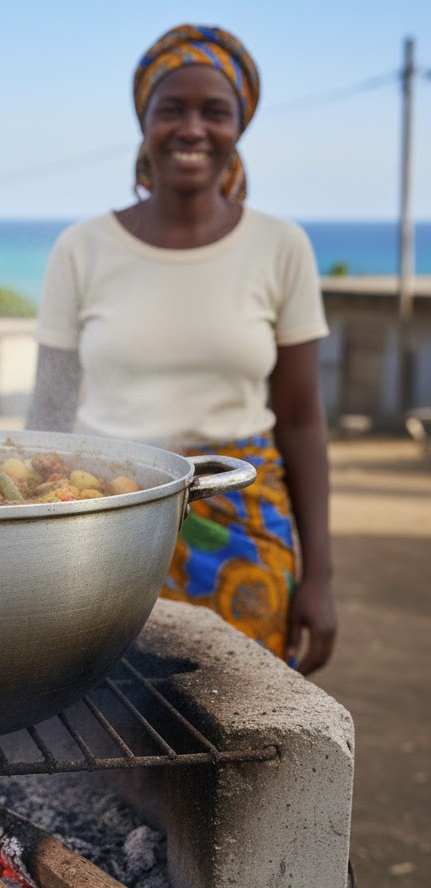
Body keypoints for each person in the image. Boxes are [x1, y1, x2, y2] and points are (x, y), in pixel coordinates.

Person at [26, 24, 336, 675]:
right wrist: (29, 547)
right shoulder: (82, 249)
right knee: (104, 723)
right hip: (106, 519)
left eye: (214, 111)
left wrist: (320, 579)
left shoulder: (282, 248)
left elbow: (303, 420)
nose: (192, 128)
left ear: (238, 126)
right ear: (146, 121)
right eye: (172, 109)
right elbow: (48, 416)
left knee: (240, 733)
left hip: (245, 527)